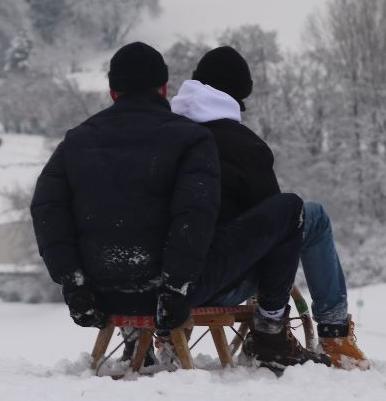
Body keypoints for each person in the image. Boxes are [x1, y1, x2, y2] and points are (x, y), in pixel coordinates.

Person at [31, 41, 329, 371]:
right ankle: (272, 333)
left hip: (100, 295)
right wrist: (175, 287)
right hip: (172, 296)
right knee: (289, 207)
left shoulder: (76, 141)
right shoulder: (189, 138)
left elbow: (47, 210)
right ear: (163, 87)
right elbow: (195, 217)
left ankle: (135, 341)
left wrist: (74, 284)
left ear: (113, 91)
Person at [170, 45, 370, 369]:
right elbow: (279, 230)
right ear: (234, 98)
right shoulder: (243, 145)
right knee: (311, 215)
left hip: (163, 283)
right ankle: (335, 336)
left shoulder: (165, 136)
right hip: (217, 283)